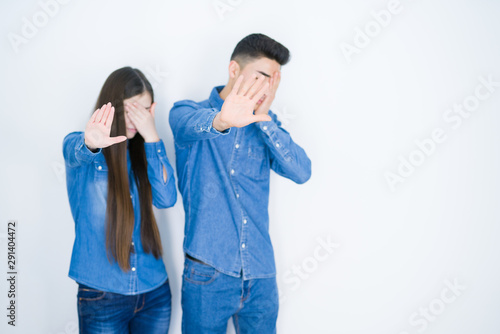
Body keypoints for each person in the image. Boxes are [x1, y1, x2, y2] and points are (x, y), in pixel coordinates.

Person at [169, 33, 312, 333]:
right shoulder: (188, 111)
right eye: (262, 76)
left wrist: (263, 119)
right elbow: (187, 125)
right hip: (208, 271)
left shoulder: (267, 125)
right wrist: (223, 120)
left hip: (260, 272)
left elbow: (302, 172)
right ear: (234, 70)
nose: (268, 87)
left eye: (274, 81)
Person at [62, 67, 177, 333]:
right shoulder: (81, 148)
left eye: (144, 110)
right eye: (130, 109)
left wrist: (152, 137)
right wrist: (91, 143)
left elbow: (167, 199)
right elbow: (76, 151)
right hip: (103, 295)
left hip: (155, 292)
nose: (137, 118)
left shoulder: (146, 152)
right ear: (110, 106)